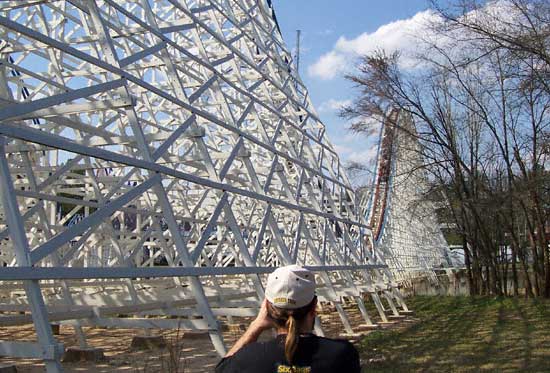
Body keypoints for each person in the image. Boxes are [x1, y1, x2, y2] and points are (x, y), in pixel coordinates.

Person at [215, 265, 360, 372]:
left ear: (266, 307)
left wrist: (256, 326)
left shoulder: (249, 357)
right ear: (314, 306)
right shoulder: (342, 354)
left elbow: (221, 369)